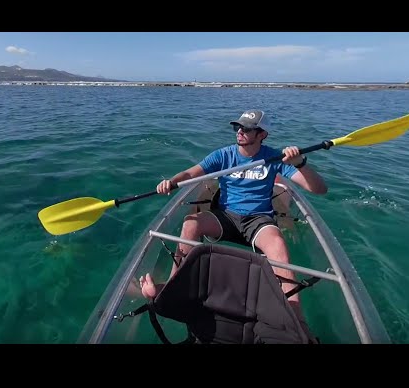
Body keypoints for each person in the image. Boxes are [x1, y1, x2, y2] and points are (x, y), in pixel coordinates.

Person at [139, 109, 328, 324]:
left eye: (246, 129)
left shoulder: (274, 158)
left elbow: (319, 189)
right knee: (191, 223)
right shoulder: (223, 155)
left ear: (262, 134)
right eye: (237, 127)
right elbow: (191, 173)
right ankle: (173, 287)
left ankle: (295, 317)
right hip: (226, 216)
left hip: (258, 220)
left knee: (278, 246)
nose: (239, 132)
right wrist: (171, 182)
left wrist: (300, 163)